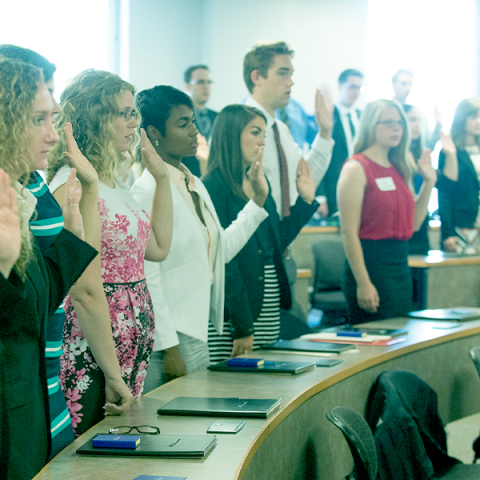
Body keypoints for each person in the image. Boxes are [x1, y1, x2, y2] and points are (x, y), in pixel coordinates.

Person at [47, 69, 174, 435]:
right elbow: (82, 287)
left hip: (132, 332)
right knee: (91, 444)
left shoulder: (116, 183)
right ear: (94, 117)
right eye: (125, 113)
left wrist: (161, 178)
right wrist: (111, 369)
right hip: (93, 337)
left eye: (135, 113)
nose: (135, 122)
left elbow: (158, 248)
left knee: (118, 445)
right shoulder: (70, 184)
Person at [131, 86, 269, 392]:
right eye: (183, 124)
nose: (195, 131)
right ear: (154, 132)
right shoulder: (146, 190)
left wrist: (256, 203)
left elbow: (218, 252)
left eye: (194, 121)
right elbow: (147, 277)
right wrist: (169, 348)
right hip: (169, 337)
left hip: (195, 328)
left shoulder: (191, 182)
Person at [0, 57, 97, 480]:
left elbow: (33, 311)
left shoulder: (19, 196)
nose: (52, 135)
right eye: (38, 118)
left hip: (28, 412)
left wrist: (71, 239)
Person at [203, 105, 319, 361]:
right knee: (232, 384)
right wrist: (242, 325)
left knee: (263, 379)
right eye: (255, 132)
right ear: (232, 135)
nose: (262, 141)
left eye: (264, 134)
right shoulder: (212, 186)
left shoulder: (259, 180)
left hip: (266, 297)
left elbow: (276, 241)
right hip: (236, 306)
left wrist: (305, 201)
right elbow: (225, 262)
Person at [337, 99, 436, 324]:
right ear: (371, 126)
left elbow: (414, 224)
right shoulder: (356, 168)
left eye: (400, 123)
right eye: (389, 122)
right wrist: (363, 283)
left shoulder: (399, 167)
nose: (397, 128)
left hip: (400, 266)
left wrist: (428, 183)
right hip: (371, 267)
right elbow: (348, 232)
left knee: (399, 341)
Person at [316, 69, 364, 216]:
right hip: (333, 192)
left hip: (362, 190)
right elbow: (318, 156)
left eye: (359, 88)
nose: (355, 92)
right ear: (340, 86)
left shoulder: (362, 117)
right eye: (352, 86)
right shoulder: (327, 115)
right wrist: (320, 198)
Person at [437, 98, 480, 252]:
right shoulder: (450, 150)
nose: (478, 121)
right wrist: (447, 233)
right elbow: (444, 194)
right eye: (473, 116)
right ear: (462, 118)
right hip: (462, 225)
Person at [404, 104, 430, 254]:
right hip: (402, 225)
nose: (417, 125)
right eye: (413, 120)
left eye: (420, 120)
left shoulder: (421, 155)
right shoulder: (391, 156)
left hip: (420, 223)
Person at [182, 64, 216, 176]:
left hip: (215, 178)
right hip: (189, 176)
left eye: (209, 82)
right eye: (200, 82)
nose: (206, 86)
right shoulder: (180, 120)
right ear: (187, 86)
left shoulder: (218, 117)